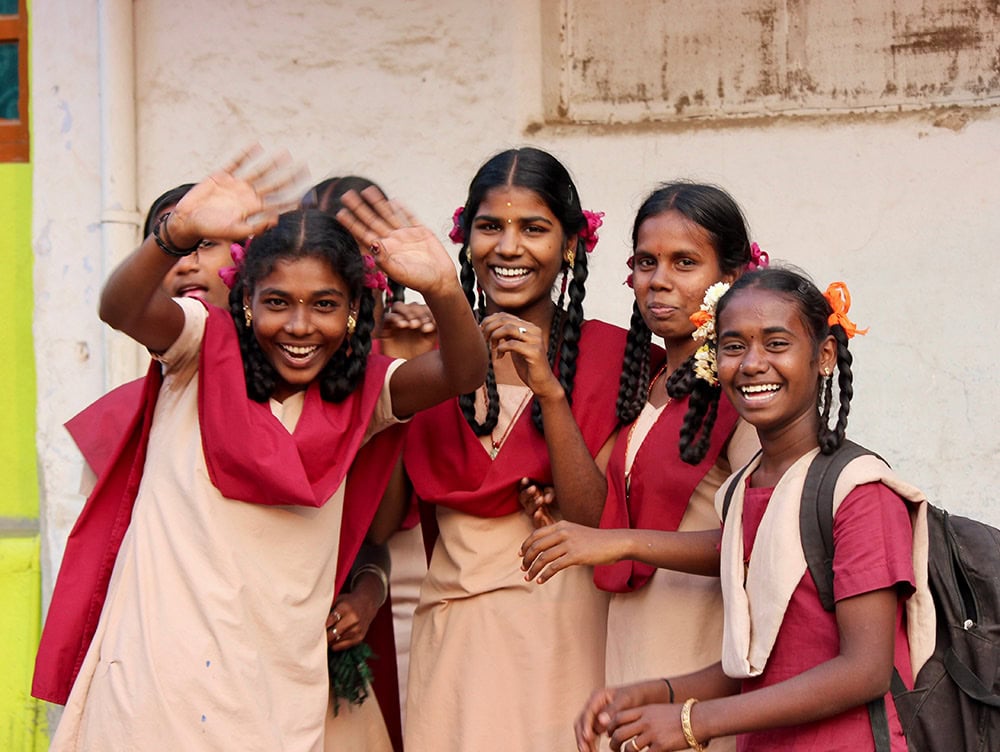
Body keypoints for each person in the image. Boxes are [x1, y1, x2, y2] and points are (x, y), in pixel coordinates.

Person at [32, 146, 487, 751]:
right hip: (156, 686)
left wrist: (444, 290)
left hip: (278, 693)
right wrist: (174, 235)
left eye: (324, 305)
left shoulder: (368, 391)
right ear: (245, 302)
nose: (299, 327)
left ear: (355, 312)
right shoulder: (198, 350)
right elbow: (119, 308)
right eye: (277, 303)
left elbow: (463, 370)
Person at [574, 267, 934, 752]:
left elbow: (864, 670)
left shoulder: (859, 491)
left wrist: (694, 722)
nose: (752, 363)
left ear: (824, 355)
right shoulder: (744, 489)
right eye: (734, 345)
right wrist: (654, 694)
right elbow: (759, 663)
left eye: (777, 344)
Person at [519, 183, 762, 751]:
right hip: (634, 648)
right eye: (646, 262)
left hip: (704, 653)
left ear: (733, 274)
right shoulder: (651, 388)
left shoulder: (743, 392)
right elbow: (589, 514)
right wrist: (551, 393)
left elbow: (757, 539)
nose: (660, 280)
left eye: (685, 263)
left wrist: (620, 543)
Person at [398, 146, 625, 751]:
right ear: (464, 237)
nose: (509, 247)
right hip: (457, 636)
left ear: (572, 243)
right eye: (490, 226)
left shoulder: (619, 359)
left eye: (534, 228)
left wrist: (551, 394)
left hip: (569, 631)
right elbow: (379, 517)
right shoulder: (429, 366)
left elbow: (594, 516)